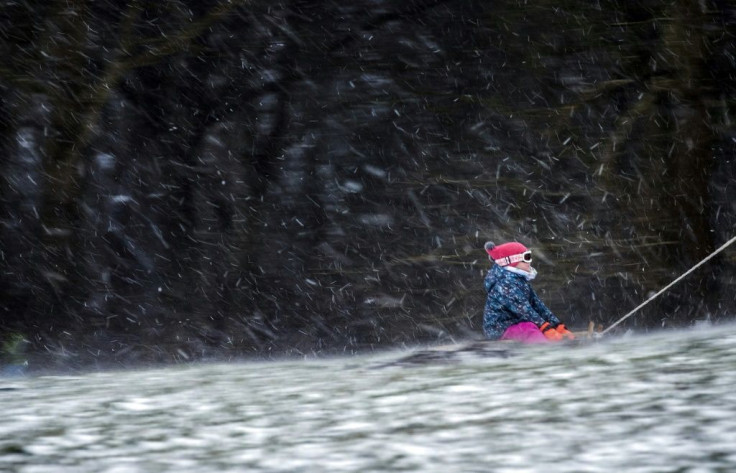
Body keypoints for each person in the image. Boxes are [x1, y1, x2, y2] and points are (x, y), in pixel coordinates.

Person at [482, 241, 575, 343]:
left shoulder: (520, 280)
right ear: (513, 261)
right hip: (500, 329)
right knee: (528, 328)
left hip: (518, 322)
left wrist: (558, 326)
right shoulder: (504, 284)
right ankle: (545, 349)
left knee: (530, 325)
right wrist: (546, 328)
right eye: (527, 257)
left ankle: (553, 344)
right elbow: (525, 311)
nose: (530, 262)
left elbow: (538, 306)